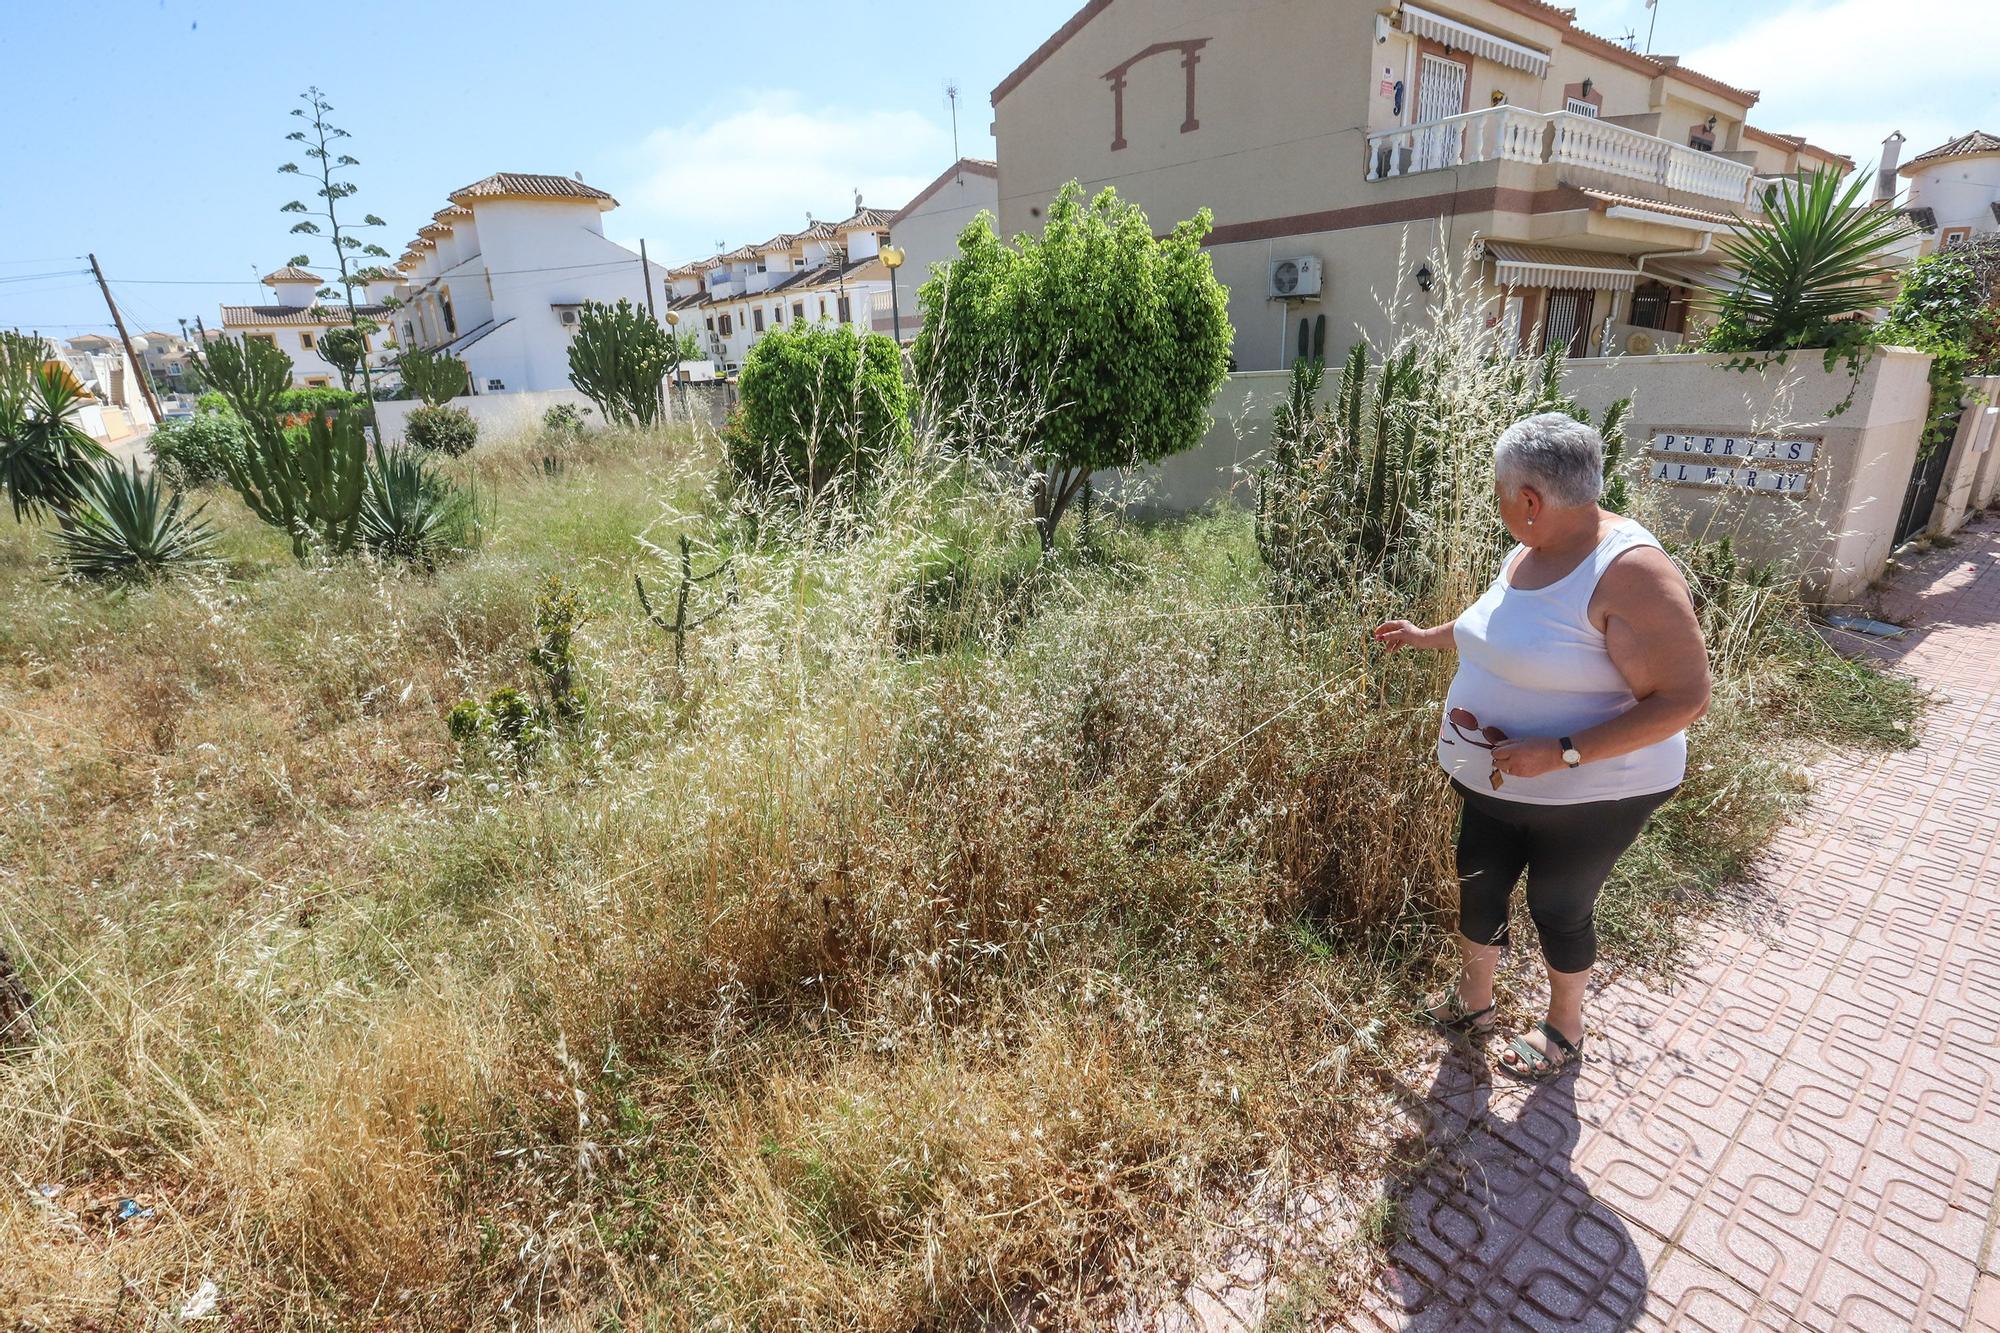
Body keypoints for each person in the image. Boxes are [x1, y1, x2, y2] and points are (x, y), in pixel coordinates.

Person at [1372, 412, 1710, 1082]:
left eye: (1499, 492)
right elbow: (1495, 629)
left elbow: (1684, 700)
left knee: (1558, 904)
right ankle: (1474, 1005)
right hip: (1498, 782)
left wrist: (1560, 752)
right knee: (1479, 880)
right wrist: (1423, 635)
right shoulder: (1530, 547)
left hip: (1594, 792)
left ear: (1529, 500)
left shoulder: (1630, 572)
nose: (1496, 503)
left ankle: (1564, 1028)